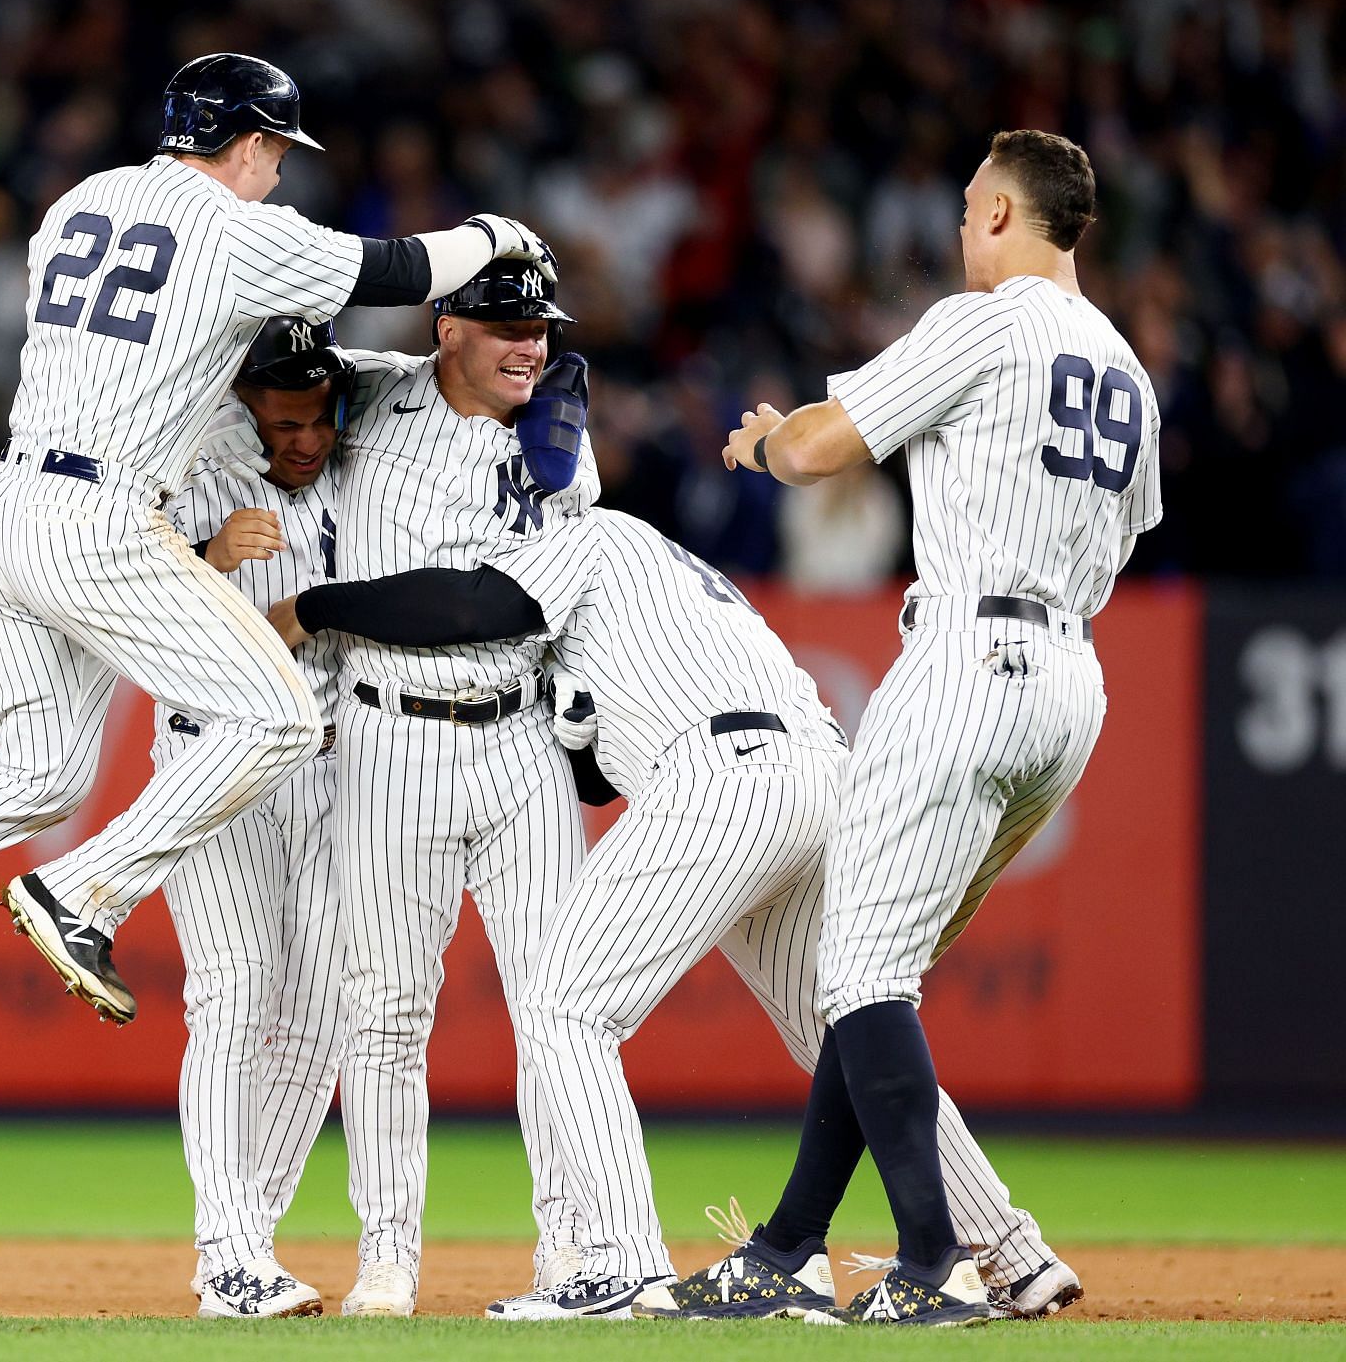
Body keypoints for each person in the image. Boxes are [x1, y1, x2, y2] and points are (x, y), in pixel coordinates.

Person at [0, 52, 559, 1033]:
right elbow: (397, 271)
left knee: (37, 774)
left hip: (2, 506)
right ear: (247, 142)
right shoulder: (239, 229)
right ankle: (85, 891)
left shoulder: (81, 202)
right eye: (277, 151)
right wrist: (494, 234)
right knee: (279, 718)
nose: (281, 170)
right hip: (101, 512)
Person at [271, 502, 1082, 1322]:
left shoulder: (586, 532)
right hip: (817, 778)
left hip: (722, 774)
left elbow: (471, 605)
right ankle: (1013, 1252)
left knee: (565, 1007)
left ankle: (624, 1258)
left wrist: (316, 606)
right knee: (839, 1033)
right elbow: (593, 774)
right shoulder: (665, 578)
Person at [694, 128, 1159, 1325]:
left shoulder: (984, 321)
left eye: (969, 207)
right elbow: (1130, 528)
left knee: (855, 971)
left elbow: (814, 448)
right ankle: (799, 1242)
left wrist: (764, 437)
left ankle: (934, 1259)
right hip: (1071, 685)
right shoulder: (1127, 370)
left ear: (1006, 214)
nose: (960, 228)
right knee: (874, 980)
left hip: (969, 652)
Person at [292, 253, 599, 1317]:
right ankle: (387, 1256)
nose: (531, 343)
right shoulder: (369, 391)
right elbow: (269, 349)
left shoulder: (562, 442)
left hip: (520, 741)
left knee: (563, 1009)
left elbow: (526, 604)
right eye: (506, 322)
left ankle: (573, 1249)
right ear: (447, 326)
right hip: (389, 740)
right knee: (380, 1015)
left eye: (543, 328)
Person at [155, 317, 351, 1319]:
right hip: (214, 752)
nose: (306, 436)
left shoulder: (359, 466)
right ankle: (228, 1247)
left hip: (325, 772)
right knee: (232, 990)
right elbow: (115, 592)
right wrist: (205, 554)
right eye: (285, 416)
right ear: (245, 403)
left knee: (322, 1013)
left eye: (319, 414)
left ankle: (244, 1244)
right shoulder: (192, 459)